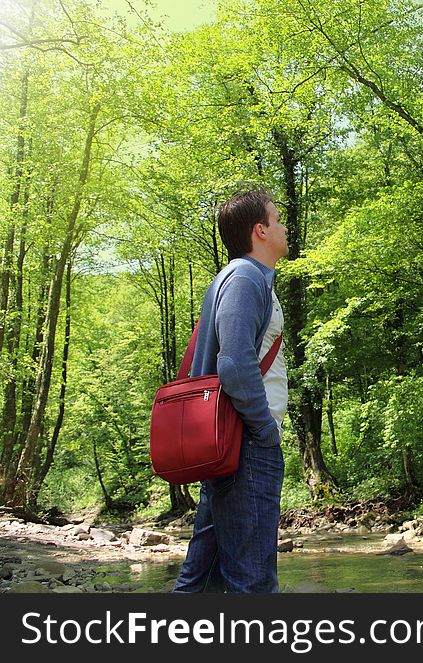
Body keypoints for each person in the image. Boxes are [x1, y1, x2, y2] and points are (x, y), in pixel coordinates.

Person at [173, 188, 289, 593]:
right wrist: (264, 430)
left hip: (233, 445)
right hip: (247, 445)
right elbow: (235, 364)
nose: (285, 226)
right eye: (278, 219)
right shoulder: (244, 278)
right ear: (260, 230)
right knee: (252, 583)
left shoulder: (244, 279)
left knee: (202, 581)